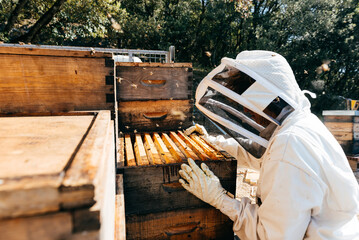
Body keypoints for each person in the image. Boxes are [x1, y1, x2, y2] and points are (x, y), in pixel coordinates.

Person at [178, 50, 359, 239]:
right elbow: (260, 153)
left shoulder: (289, 146)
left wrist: (220, 199)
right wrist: (212, 142)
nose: (247, 110)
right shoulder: (304, 124)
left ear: (267, 98)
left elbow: (271, 236)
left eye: (248, 103)